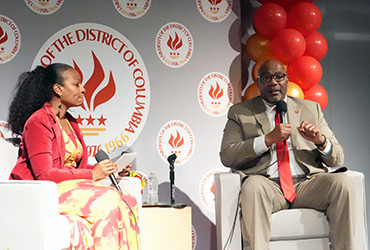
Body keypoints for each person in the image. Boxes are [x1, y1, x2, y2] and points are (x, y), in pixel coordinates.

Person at [220, 59, 355, 250]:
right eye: (266, 77)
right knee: (253, 187)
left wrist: (320, 141)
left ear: (287, 80)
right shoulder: (240, 113)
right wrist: (266, 140)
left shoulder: (310, 108)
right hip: (268, 185)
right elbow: (227, 155)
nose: (273, 82)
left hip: (306, 184)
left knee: (341, 183)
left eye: (279, 76)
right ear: (258, 83)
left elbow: (338, 157)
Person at [7, 63, 140, 250]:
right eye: (76, 84)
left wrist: (111, 170)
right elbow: (45, 175)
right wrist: (93, 174)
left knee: (128, 199)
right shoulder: (39, 121)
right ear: (58, 89)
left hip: (69, 188)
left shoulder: (70, 121)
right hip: (45, 192)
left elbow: (74, 169)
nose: (83, 89)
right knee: (107, 200)